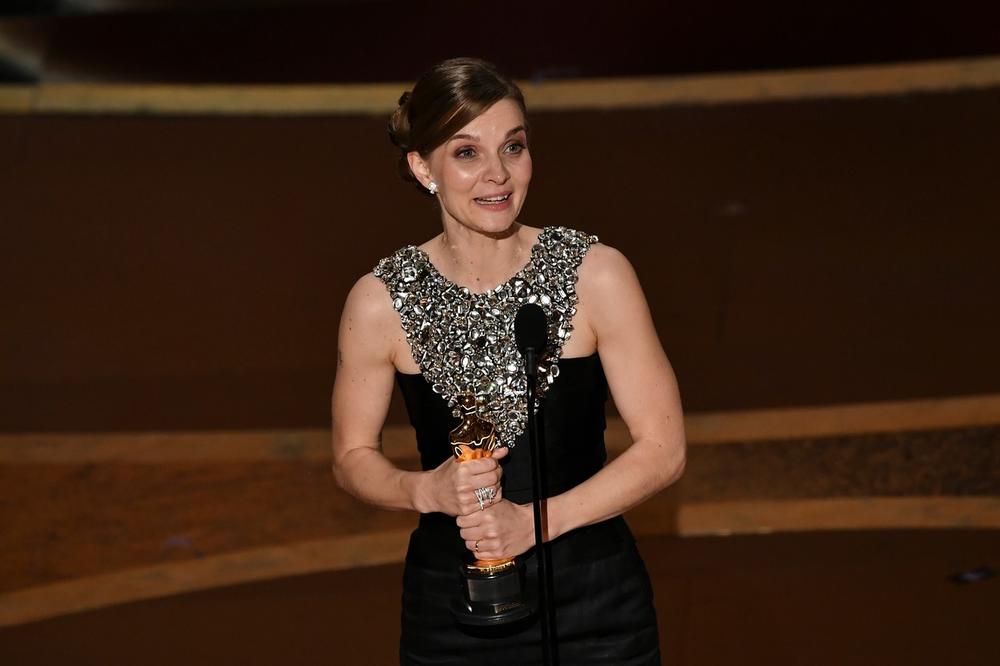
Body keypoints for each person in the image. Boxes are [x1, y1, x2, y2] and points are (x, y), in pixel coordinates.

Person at [331, 57, 686, 665]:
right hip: (451, 610)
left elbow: (664, 448)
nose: (497, 174)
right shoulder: (380, 300)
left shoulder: (595, 274)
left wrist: (535, 523)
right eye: (467, 153)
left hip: (597, 606)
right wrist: (425, 489)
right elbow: (351, 457)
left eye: (513, 147)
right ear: (423, 168)